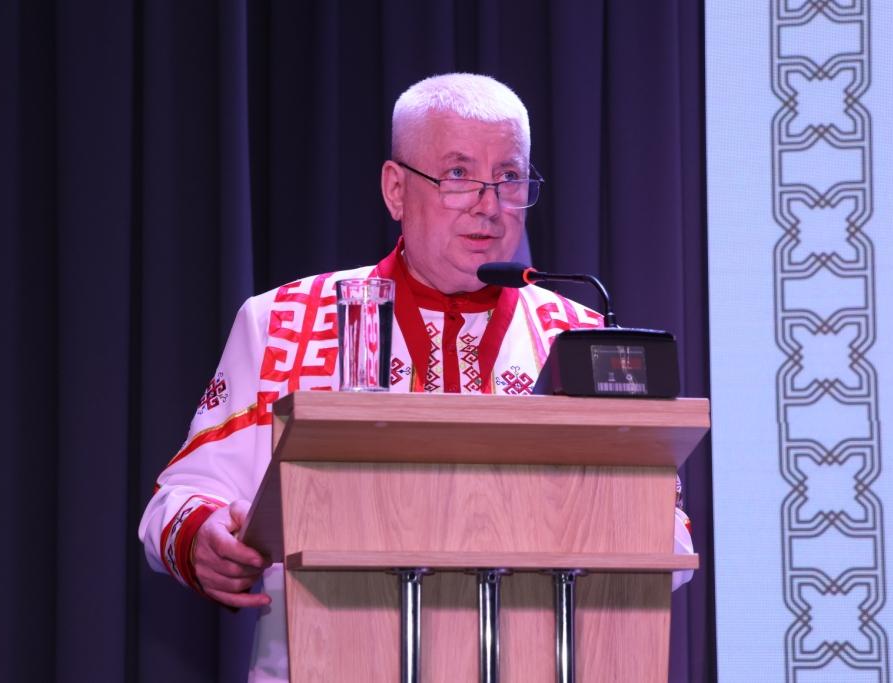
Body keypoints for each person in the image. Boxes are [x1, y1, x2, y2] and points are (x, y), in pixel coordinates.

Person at [139, 73, 694, 681]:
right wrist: (202, 536)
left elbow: (668, 538)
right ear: (396, 189)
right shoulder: (284, 321)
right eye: (458, 175)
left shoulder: (580, 339)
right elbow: (182, 497)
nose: (489, 205)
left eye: (509, 177)